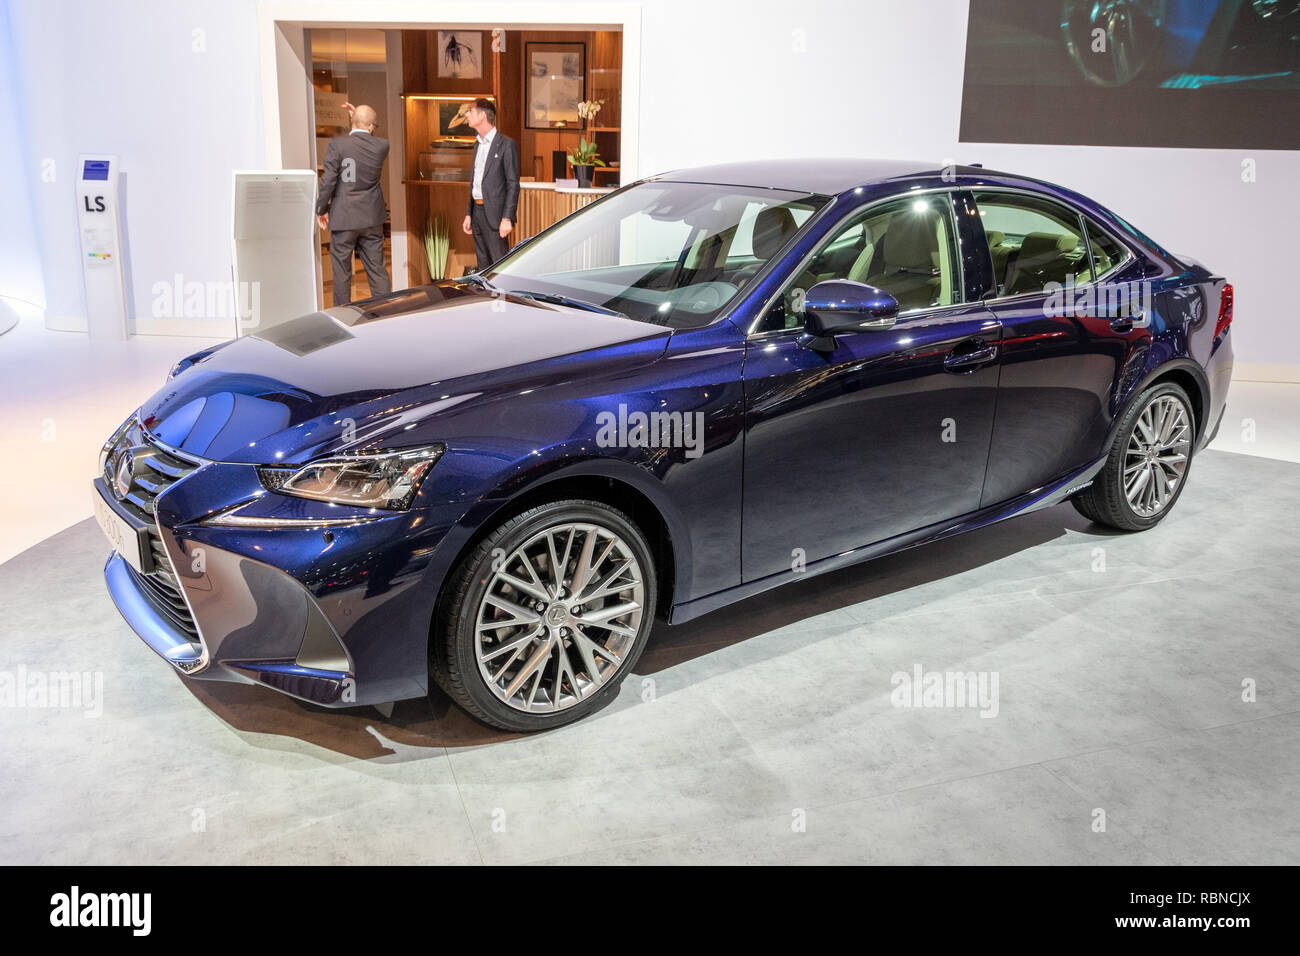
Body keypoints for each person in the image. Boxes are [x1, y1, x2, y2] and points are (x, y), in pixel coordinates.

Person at [316, 103, 391, 305]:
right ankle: (385, 313)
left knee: (341, 273)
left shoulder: (337, 145)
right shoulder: (382, 146)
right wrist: (359, 118)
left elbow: (329, 180)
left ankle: (343, 317)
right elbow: (364, 137)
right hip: (371, 218)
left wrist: (321, 209)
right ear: (371, 126)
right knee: (377, 269)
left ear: (353, 122)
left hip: (344, 216)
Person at [460, 98, 520, 271]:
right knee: (483, 265)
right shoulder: (477, 144)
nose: (467, 115)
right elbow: (475, 181)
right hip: (477, 213)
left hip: (496, 216)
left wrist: (507, 218)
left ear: (482, 115)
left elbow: (513, 184)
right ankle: (488, 298)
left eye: (470, 111)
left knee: (500, 267)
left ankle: (504, 298)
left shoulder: (506, 144)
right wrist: (468, 213)